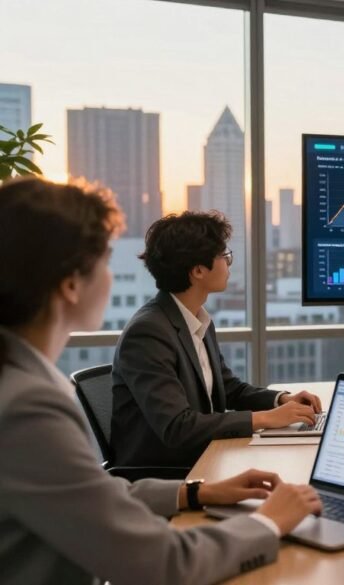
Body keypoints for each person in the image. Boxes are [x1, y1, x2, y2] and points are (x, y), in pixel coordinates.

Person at [0, 177, 322, 584]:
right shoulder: (27, 407)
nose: (112, 277)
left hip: (181, 479)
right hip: (166, 468)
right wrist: (268, 523)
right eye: (105, 262)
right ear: (70, 285)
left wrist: (197, 492)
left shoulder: (20, 384)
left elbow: (92, 491)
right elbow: (165, 562)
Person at [111, 211, 321, 468]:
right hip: (168, 473)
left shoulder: (196, 318)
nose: (229, 263)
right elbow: (177, 427)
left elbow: (228, 388)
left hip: (207, 455)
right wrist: (266, 419)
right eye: (224, 255)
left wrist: (281, 400)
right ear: (198, 270)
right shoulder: (148, 333)